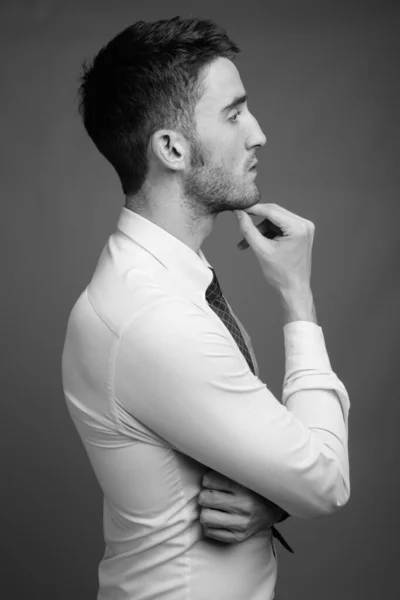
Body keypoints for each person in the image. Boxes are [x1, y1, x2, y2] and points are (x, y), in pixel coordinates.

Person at [61, 15, 350, 600]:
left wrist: (273, 496)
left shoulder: (166, 284)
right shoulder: (155, 317)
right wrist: (299, 296)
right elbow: (323, 478)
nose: (258, 133)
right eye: (234, 113)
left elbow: (260, 453)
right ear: (171, 148)